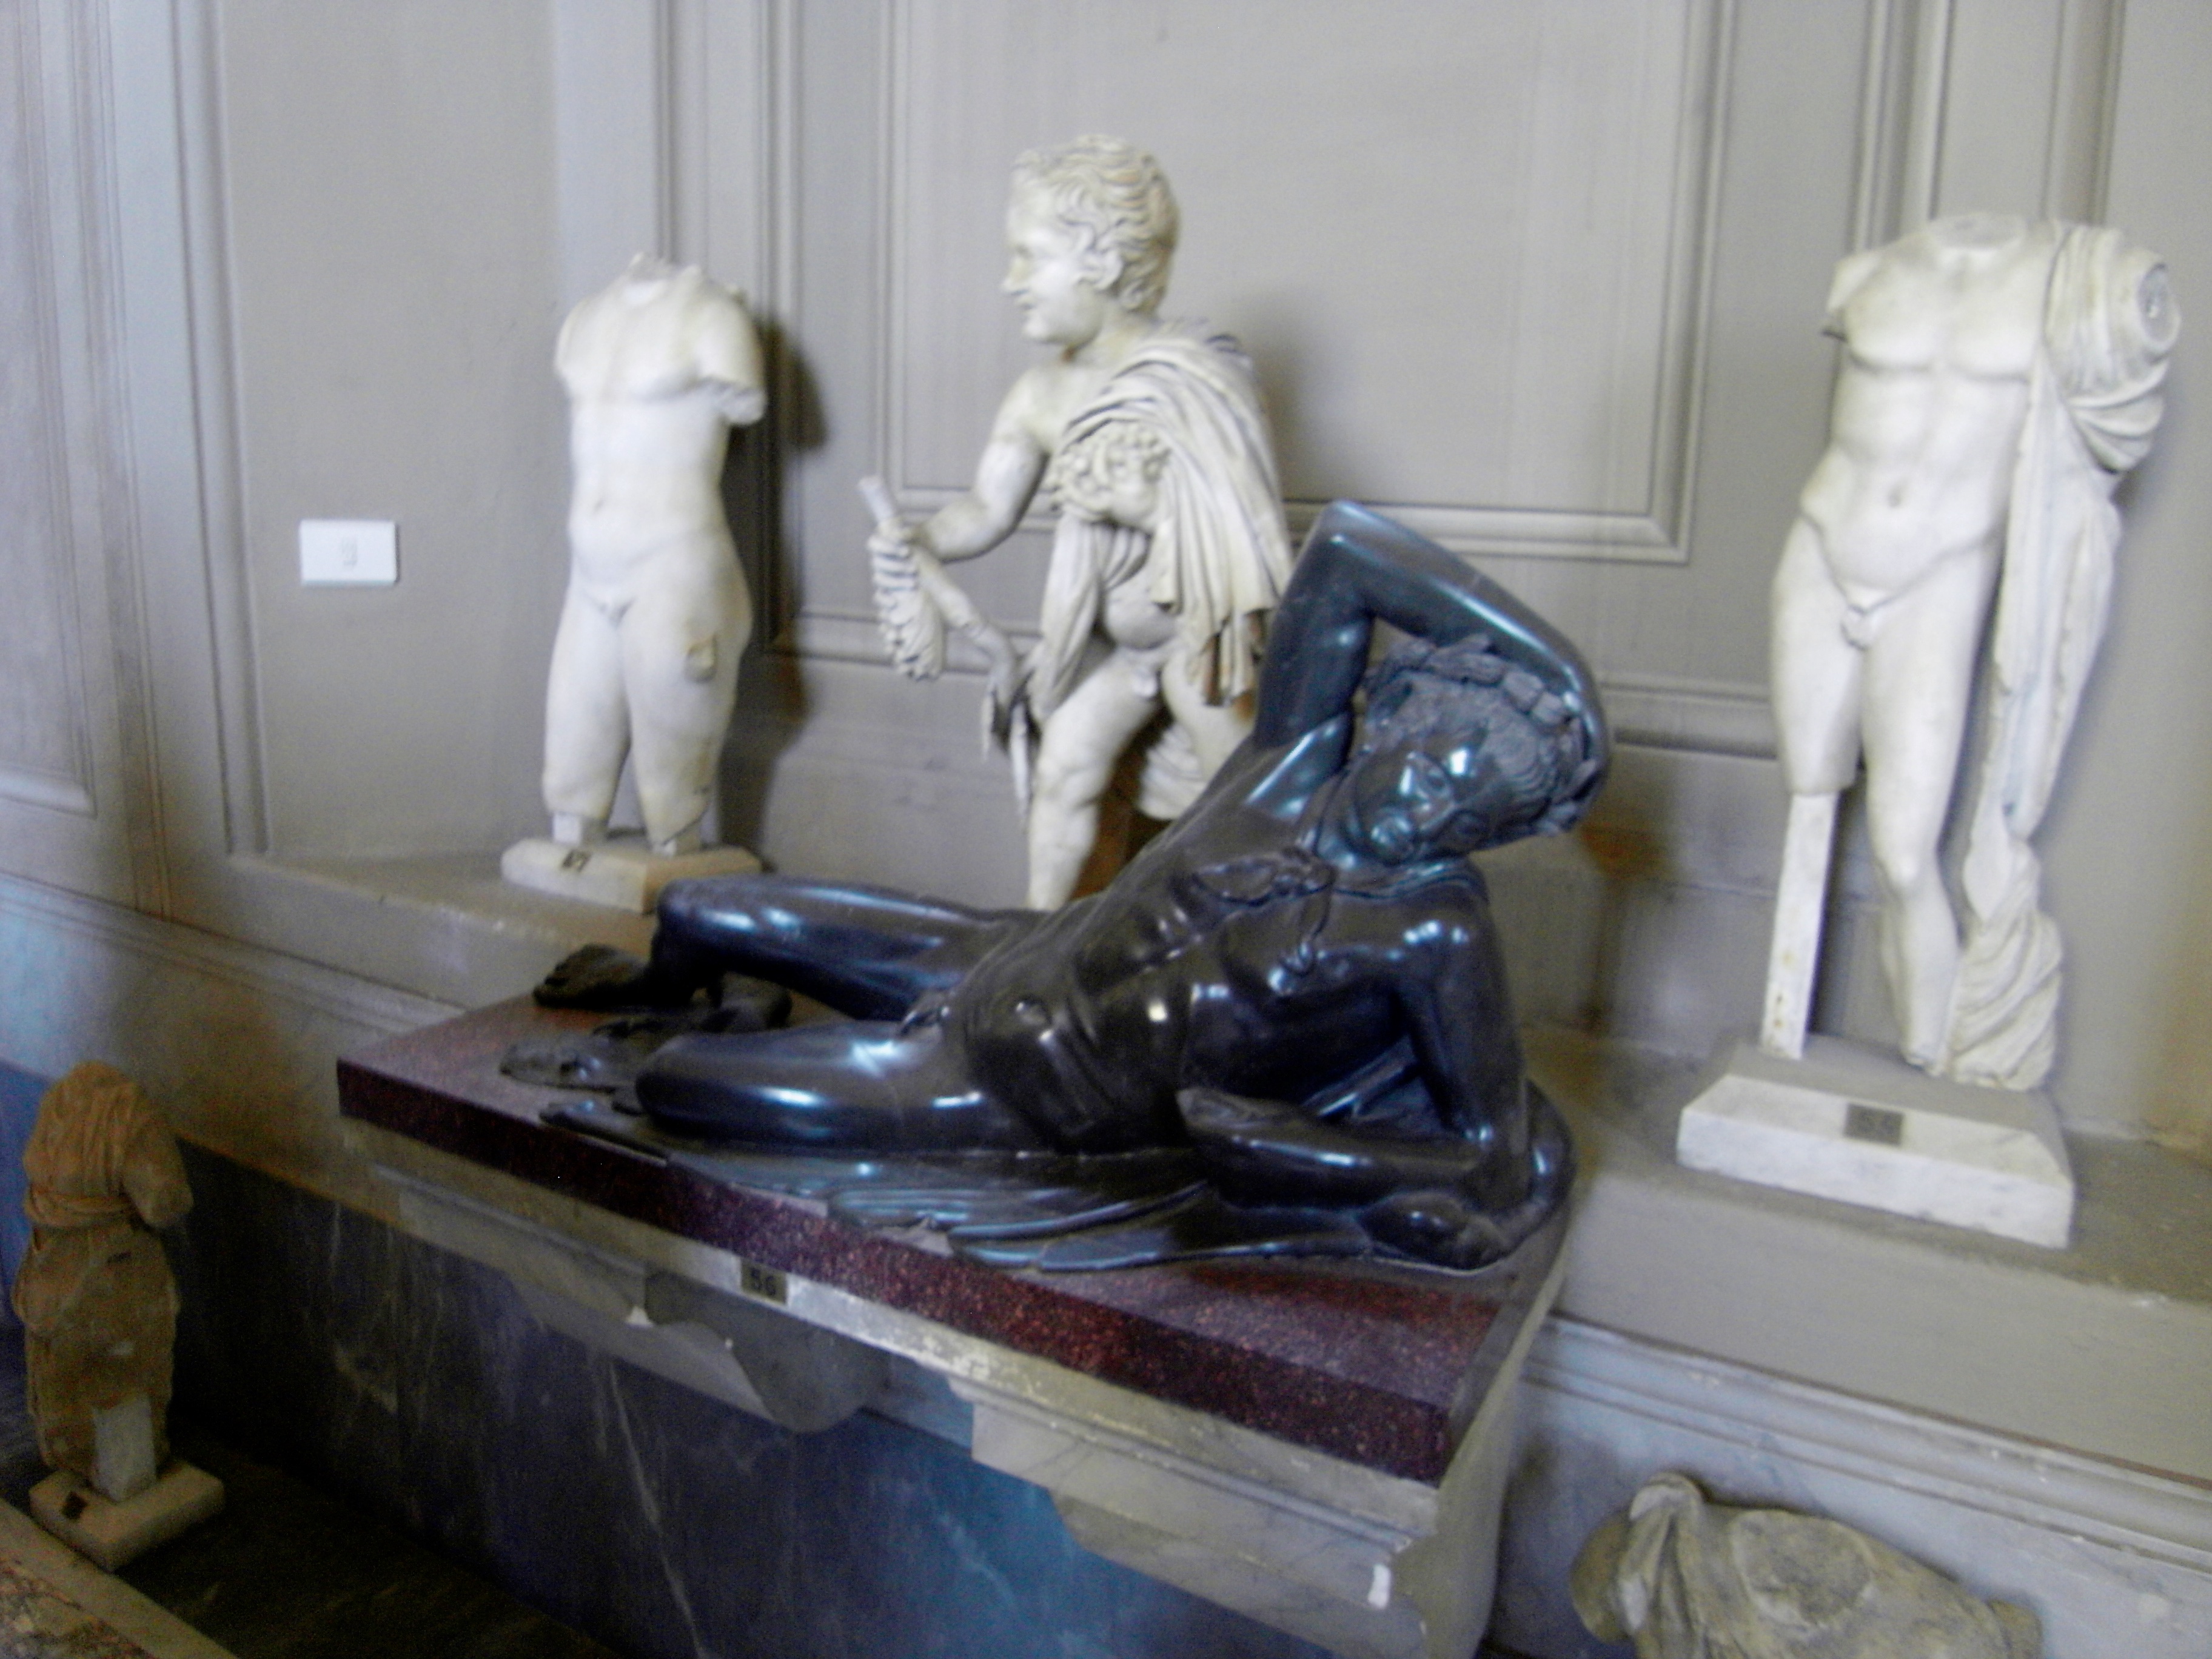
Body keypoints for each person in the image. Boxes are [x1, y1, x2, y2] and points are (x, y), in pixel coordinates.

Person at [545, 503, 1606, 1269]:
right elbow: (1345, 546)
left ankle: (748, 1026)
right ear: (1400, 730)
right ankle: (721, 991)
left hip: (1011, 1089)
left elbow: (1491, 1152)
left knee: (677, 1083)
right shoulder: (1288, 769)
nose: (1428, 813)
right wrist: (1560, 673)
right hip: (991, 952)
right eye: (1430, 772)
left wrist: (1310, 1158)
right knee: (692, 910)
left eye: (1469, 817)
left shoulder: (1431, 932)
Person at [1763, 215, 2173, 1085]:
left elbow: (2115, 427)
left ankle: (1939, 1059)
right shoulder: (1866, 271)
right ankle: (1779, 1028)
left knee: (1905, 852)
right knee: (1808, 793)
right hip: (1822, 549)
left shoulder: (2069, 286)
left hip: (1940, 578)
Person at [868, 136, 1292, 908]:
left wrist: (1142, 507)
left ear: (1099, 260)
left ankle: (1259, 935)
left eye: (1028, 257)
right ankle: (1039, 942)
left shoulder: (1198, 380)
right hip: (1116, 649)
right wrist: (923, 539)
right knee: (1064, 771)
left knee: (1243, 799)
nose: (1010, 282)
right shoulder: (1039, 394)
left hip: (1198, 645)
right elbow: (987, 508)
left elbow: (1244, 531)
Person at [540, 255, 766, 855]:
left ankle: (675, 851)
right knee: (571, 757)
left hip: (674, 559)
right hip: (589, 567)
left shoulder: (714, 316)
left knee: (674, 774)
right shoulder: (585, 318)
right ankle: (572, 845)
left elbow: (744, 403)